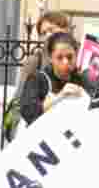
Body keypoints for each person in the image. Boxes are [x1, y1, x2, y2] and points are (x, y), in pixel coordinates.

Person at [5, 11, 71, 139]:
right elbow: (21, 101)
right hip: (42, 132)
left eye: (51, 30)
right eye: (43, 33)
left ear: (65, 30)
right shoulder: (35, 61)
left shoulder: (78, 59)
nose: (47, 36)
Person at [19, 32, 91, 126]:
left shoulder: (82, 79)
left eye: (70, 57)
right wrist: (59, 96)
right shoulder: (37, 78)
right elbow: (28, 113)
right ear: (50, 58)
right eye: (59, 57)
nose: (65, 62)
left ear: (76, 55)